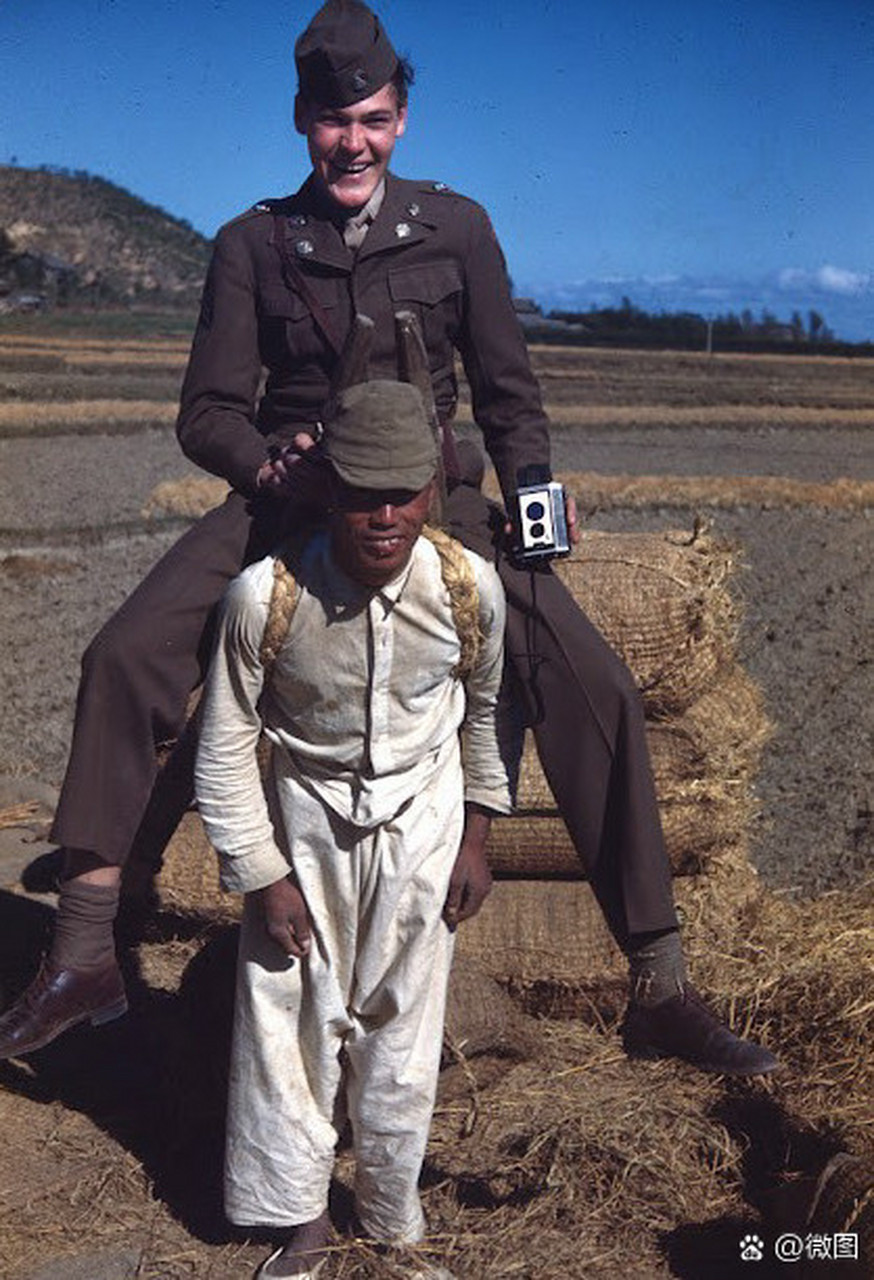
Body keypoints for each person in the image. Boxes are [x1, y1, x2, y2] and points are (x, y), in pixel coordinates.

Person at [0, 0, 777, 1077]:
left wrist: (535, 495)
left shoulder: (456, 229)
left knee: (590, 679)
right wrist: (268, 465)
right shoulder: (251, 244)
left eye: (368, 117)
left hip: (442, 502)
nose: (350, 141)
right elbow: (208, 411)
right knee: (125, 652)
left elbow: (511, 395)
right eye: (330, 121)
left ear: (401, 117)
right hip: (290, 500)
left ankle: (659, 983)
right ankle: (84, 957)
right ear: (300, 122)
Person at [195, 378, 508, 1279]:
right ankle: (299, 1224)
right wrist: (263, 873)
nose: (383, 516)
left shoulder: (465, 587)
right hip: (304, 826)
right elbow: (224, 747)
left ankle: (389, 1218)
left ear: (432, 493)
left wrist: (477, 838)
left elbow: (484, 715)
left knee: (404, 1033)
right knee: (287, 1023)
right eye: (362, 493)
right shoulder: (265, 598)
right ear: (327, 489)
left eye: (403, 494)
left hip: (424, 821)